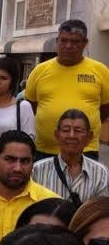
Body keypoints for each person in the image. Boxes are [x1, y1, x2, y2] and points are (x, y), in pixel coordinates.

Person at [24, 19, 109, 161]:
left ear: (85, 43)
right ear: (57, 40)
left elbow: (105, 108)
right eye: (64, 40)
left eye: (75, 42)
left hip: (85, 150)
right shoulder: (40, 71)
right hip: (44, 150)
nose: (68, 46)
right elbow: (30, 107)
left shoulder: (100, 71)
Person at [32, 109, 109, 205]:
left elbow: (101, 213)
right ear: (57, 135)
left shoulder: (101, 173)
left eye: (78, 130)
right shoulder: (38, 170)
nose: (71, 135)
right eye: (66, 130)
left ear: (89, 137)